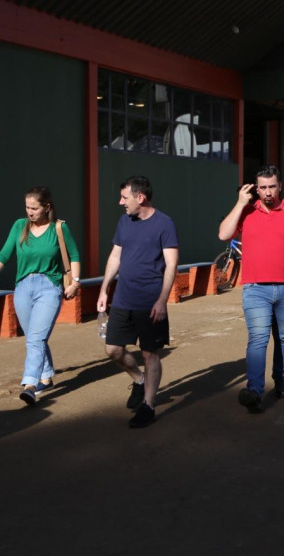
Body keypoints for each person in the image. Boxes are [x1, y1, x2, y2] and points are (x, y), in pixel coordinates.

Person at [218, 165, 284, 413]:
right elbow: (223, 234)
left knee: (283, 337)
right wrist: (240, 203)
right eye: (262, 187)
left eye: (271, 186)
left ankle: (281, 380)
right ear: (255, 189)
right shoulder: (247, 211)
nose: (267, 192)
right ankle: (254, 390)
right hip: (256, 289)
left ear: (280, 186)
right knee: (258, 338)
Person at [97, 176, 179, 428]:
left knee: (149, 353)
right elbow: (116, 255)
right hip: (123, 298)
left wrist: (162, 300)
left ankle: (148, 406)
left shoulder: (164, 224)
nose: (120, 202)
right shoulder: (124, 221)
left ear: (140, 197)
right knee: (113, 349)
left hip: (150, 301)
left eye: (124, 197)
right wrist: (104, 289)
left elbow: (171, 264)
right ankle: (139, 379)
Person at [0, 187, 81, 406]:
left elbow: (74, 255)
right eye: (27, 207)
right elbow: (4, 254)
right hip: (23, 288)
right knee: (34, 337)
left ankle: (30, 385)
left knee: (36, 338)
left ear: (46, 207)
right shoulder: (20, 226)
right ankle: (46, 375)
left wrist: (75, 282)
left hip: (49, 287)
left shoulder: (59, 228)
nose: (30, 212)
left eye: (34, 208)